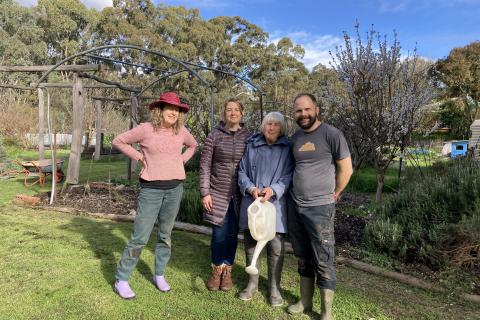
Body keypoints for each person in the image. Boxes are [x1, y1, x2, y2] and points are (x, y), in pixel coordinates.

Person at [112, 92, 197, 299]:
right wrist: (138, 155)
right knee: (139, 238)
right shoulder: (146, 129)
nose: (173, 113)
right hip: (151, 190)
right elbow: (118, 140)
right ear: (160, 110)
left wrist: (181, 161)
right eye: (170, 108)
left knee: (165, 236)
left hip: (174, 189)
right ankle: (122, 279)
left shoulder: (181, 131)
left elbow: (193, 145)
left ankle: (159, 274)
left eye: (177, 110)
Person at [287, 93, 353, 319]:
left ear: (316, 109)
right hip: (295, 206)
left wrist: (335, 192)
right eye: (298, 111)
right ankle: (304, 302)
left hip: (320, 208)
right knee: (303, 255)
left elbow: (346, 169)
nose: (303, 114)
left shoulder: (332, 134)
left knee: (323, 257)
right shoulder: (295, 138)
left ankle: (327, 312)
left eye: (307, 109)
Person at [237, 112, 294, 306]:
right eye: (268, 124)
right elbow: (242, 171)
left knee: (276, 246)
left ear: (282, 128)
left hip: (275, 205)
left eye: (276, 125)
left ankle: (274, 288)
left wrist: (274, 189)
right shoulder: (252, 145)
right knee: (251, 244)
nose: (271, 128)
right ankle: (251, 284)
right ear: (263, 126)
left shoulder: (287, 148)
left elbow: (289, 175)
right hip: (253, 202)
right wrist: (251, 188)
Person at [199, 98, 250, 291]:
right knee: (219, 233)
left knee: (232, 234)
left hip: (240, 194)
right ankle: (217, 269)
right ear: (224, 113)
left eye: (236, 109)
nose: (233, 112)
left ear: (242, 113)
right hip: (217, 192)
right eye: (229, 110)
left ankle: (227, 269)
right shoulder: (214, 135)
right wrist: (205, 192)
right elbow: (204, 166)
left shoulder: (249, 137)